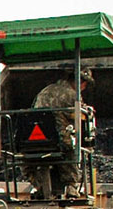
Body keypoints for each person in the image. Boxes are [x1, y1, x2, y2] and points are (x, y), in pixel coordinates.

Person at [30, 70, 93, 198]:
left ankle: (38, 184)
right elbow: (78, 116)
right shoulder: (72, 95)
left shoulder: (46, 90)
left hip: (33, 138)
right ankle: (71, 186)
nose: (84, 88)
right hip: (58, 138)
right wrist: (88, 111)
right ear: (80, 82)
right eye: (85, 84)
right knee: (75, 148)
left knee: (27, 159)